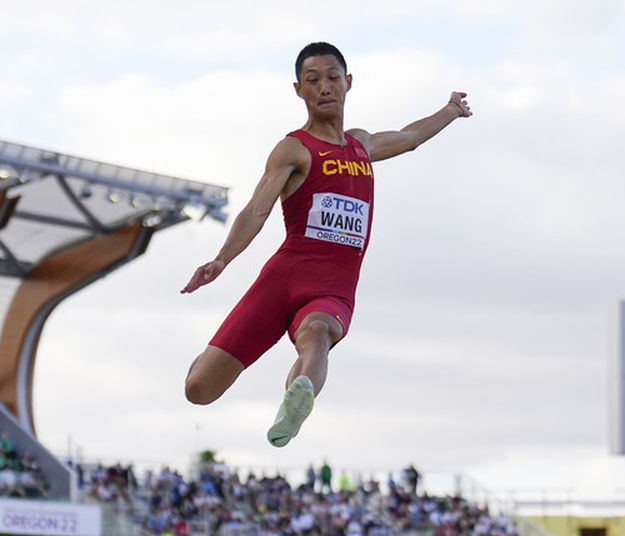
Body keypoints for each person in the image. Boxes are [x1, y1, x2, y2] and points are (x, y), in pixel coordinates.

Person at [182, 42, 472, 447]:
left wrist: (450, 111)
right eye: (313, 80)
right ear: (298, 89)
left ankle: (294, 403)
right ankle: (225, 365)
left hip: (333, 287)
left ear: (348, 83)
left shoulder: (362, 146)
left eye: (332, 78)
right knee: (199, 388)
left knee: (317, 333)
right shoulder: (294, 149)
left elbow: (409, 138)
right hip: (283, 278)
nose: (324, 88)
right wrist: (222, 259)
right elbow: (257, 209)